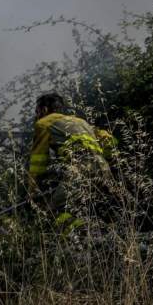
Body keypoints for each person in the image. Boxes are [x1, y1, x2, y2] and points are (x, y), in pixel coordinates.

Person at [27, 92, 116, 231]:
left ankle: (89, 233)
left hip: (81, 170)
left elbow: (39, 161)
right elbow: (107, 137)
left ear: (44, 109)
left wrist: (33, 191)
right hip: (104, 169)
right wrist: (108, 160)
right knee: (92, 210)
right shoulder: (80, 121)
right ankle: (104, 239)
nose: (36, 115)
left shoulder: (43, 123)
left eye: (37, 111)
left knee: (53, 211)